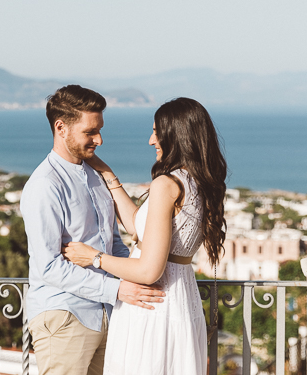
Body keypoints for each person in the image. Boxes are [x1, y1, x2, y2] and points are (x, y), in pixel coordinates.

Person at [62, 97, 227, 375]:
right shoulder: (199, 182)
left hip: (152, 305)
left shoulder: (167, 183)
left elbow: (149, 270)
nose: (152, 140)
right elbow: (141, 229)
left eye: (156, 132)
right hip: (181, 302)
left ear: (175, 135)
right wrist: (106, 172)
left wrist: (94, 258)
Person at [21, 85, 166, 375]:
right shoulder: (44, 186)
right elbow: (49, 266)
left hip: (107, 312)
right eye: (90, 132)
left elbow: (112, 242)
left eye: (99, 130)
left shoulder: (96, 177)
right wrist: (119, 289)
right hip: (64, 316)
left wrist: (138, 276)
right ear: (61, 128)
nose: (99, 139)